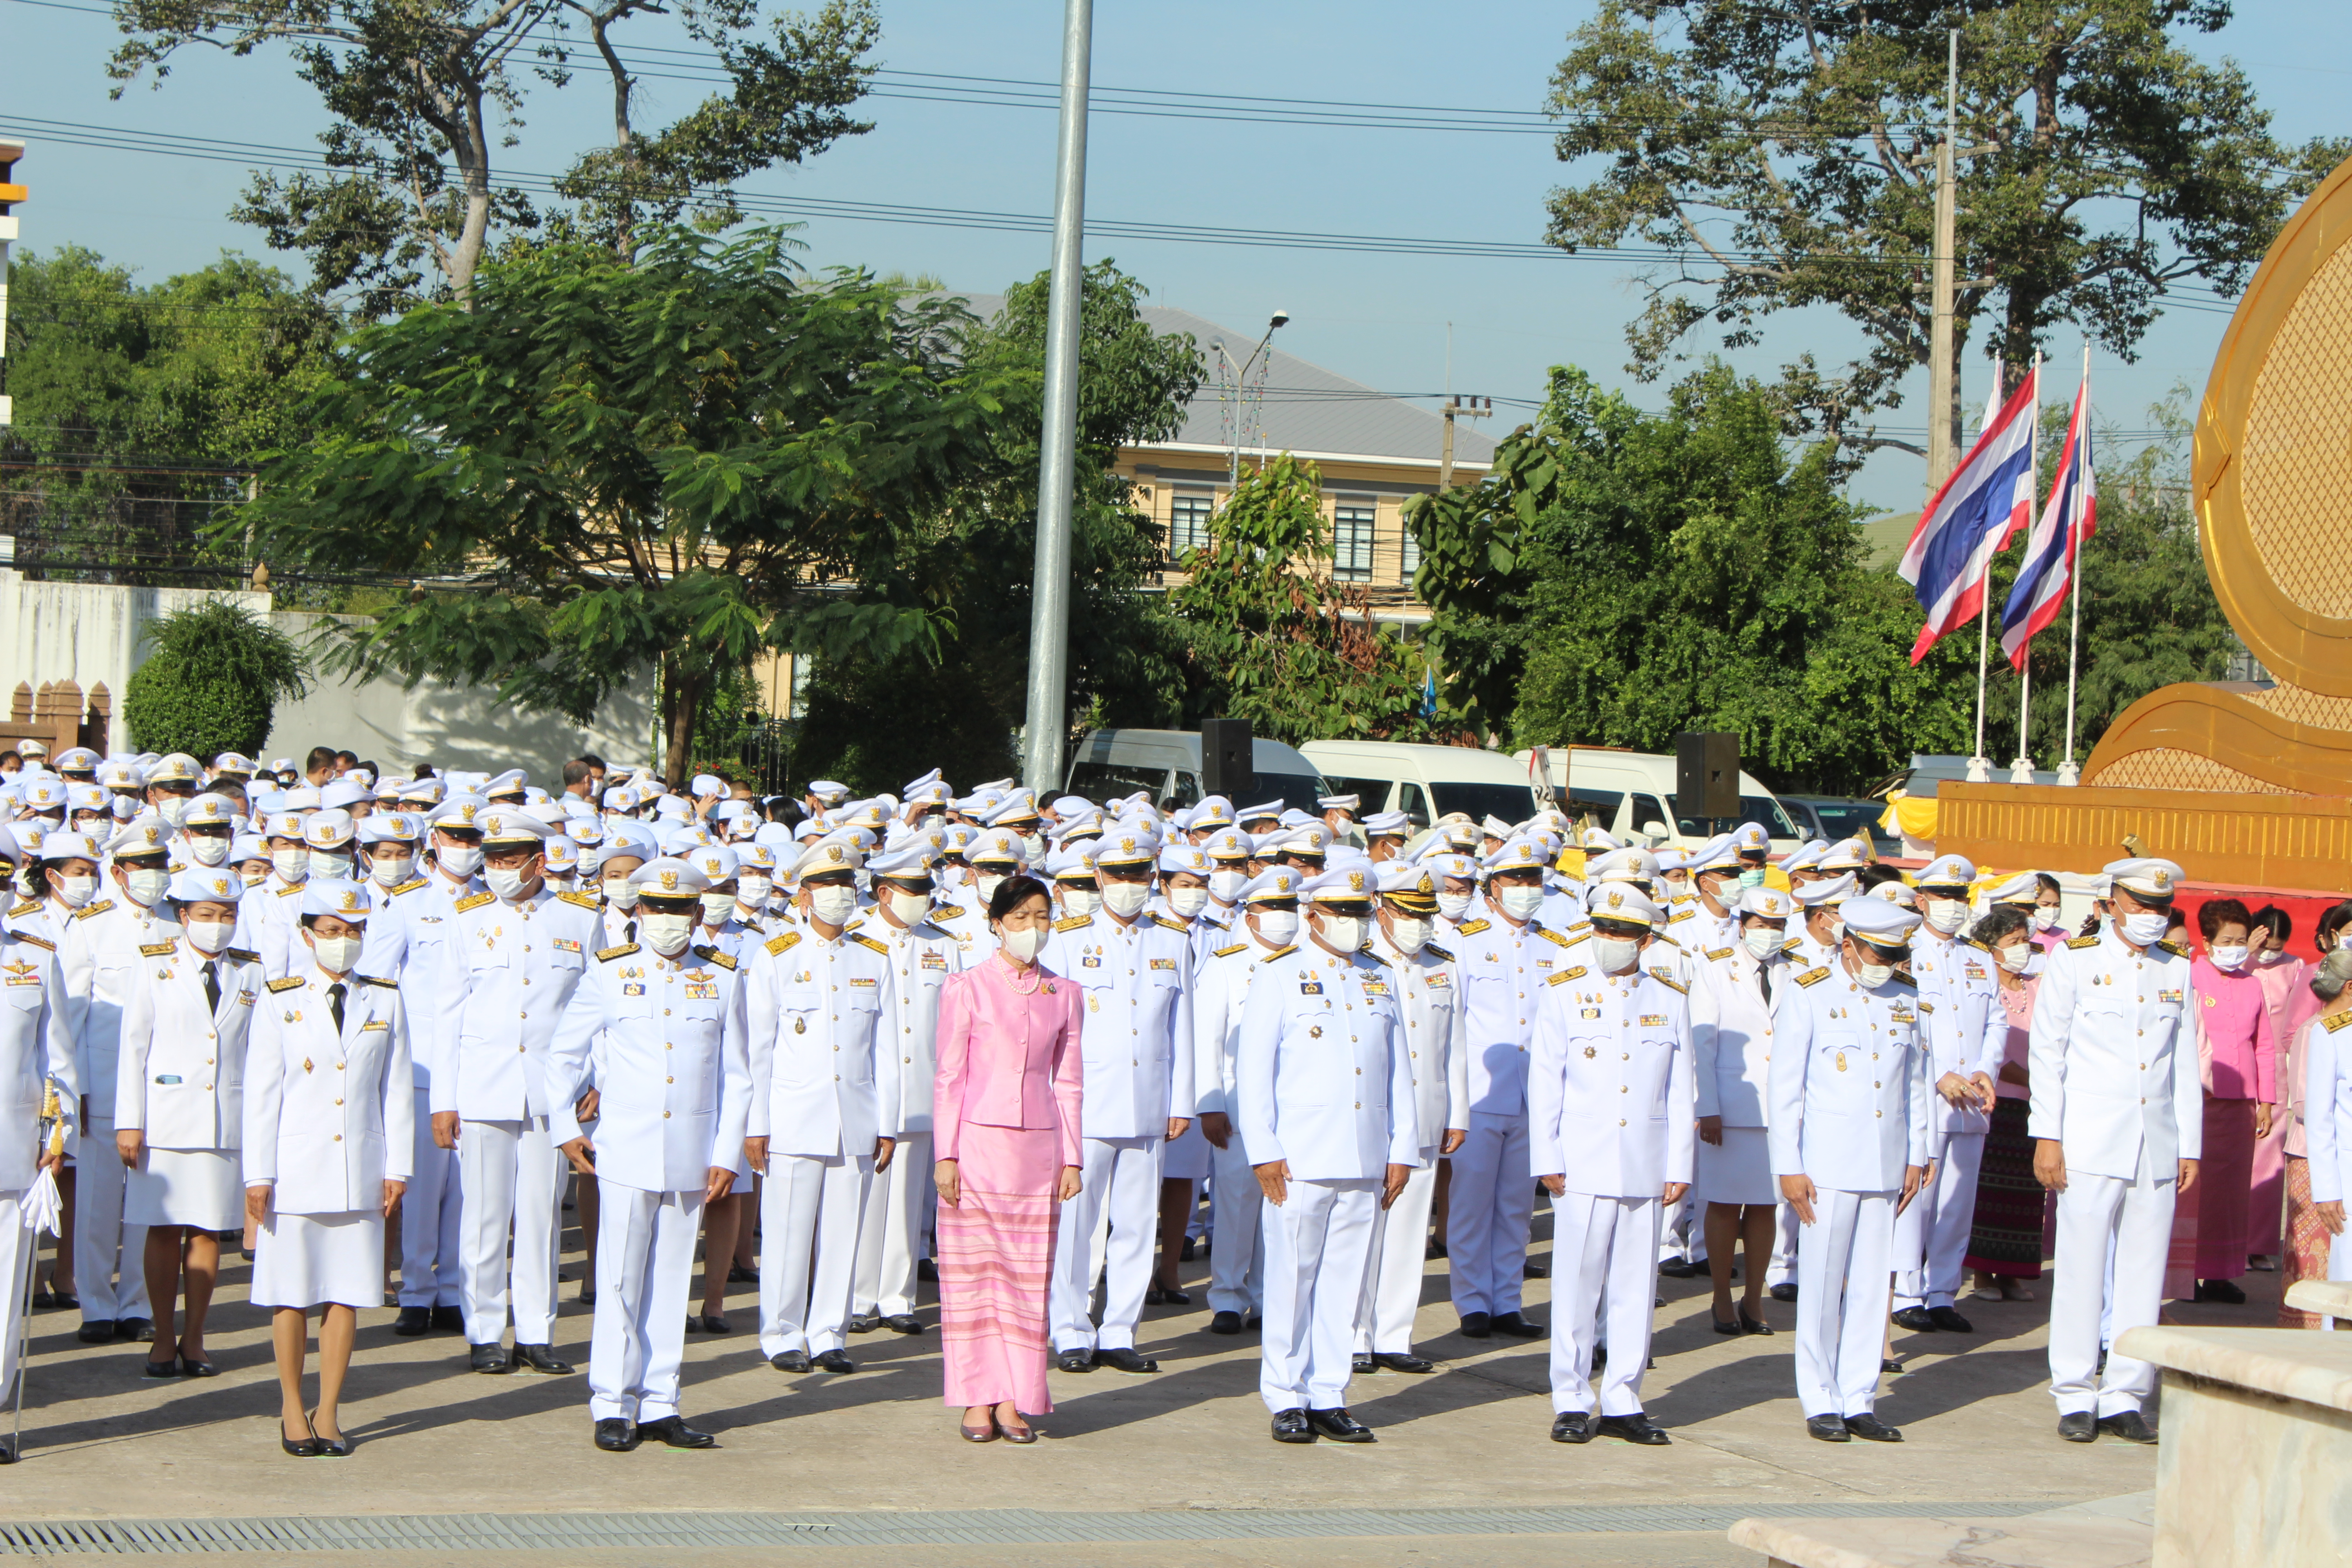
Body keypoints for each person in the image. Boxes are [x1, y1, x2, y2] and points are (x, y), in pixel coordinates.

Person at [545, 857, 750, 1452]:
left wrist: (726, 1151)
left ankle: (661, 1402)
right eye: (656, 908)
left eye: (680, 908)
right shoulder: (609, 974)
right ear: (637, 911)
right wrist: (564, 1129)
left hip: (692, 1152)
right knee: (619, 1279)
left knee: (669, 1282)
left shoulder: (723, 974)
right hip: (626, 1151)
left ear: (697, 912)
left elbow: (738, 1075)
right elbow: (562, 1056)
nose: (667, 919)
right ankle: (612, 1402)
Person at [1238, 867, 1416, 1444]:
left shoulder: (1379, 976)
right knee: (1293, 1277)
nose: (1355, 924)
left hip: (1366, 1154)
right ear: (1313, 914)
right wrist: (1264, 1149)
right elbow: (1254, 1072)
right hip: (1300, 1157)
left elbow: (1400, 1075)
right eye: (1343, 914)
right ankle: (1287, 1395)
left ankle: (1329, 1393)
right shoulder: (1280, 976)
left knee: (1345, 1282)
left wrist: (1402, 1149)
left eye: (1362, 913)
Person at [2032, 858, 2200, 1444]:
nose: (2151, 917)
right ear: (2112, 900)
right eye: (2141, 904)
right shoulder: (2074, 961)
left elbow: (2183, 1061)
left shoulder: (2176, 969)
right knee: (2080, 1269)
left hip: (2155, 1142)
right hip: (2087, 1139)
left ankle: (2126, 1393)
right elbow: (2047, 1053)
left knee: (2142, 1273)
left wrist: (2189, 1143)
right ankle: (2075, 1392)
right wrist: (2047, 1135)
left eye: (2161, 908)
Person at [429, 808, 603, 1376]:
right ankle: (483, 1331)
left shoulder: (580, 918)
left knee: (541, 1214)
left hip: (553, 1091)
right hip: (484, 1086)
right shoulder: (466, 916)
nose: (501, 870)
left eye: (511, 860)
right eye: (494, 861)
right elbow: (447, 1011)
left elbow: (596, 1010)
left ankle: (535, 1332)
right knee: (484, 1214)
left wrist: (595, 1077)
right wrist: (443, 1098)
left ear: (539, 861)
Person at [243, 878, 413, 1457]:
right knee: (291, 1295)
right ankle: (292, 1406)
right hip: (293, 1169)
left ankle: (330, 1409)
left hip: (359, 1166)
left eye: (353, 932)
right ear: (308, 934)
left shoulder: (385, 996)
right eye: (331, 932)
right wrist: (257, 1175)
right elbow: (261, 1094)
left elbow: (396, 1091)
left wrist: (399, 1168)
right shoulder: (280, 997)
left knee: (347, 1293)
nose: (342, 942)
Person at [1532, 882, 1691, 1446]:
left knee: (1634, 1289)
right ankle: (1571, 1398)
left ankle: (1624, 1398)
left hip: (1645, 1164)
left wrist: (1680, 1164)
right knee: (1578, 1287)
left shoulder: (1670, 997)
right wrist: (1545, 1154)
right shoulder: (1564, 992)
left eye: (1622, 933)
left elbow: (1679, 1091)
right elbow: (1546, 1081)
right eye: (1602, 929)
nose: (1609, 941)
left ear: (1645, 940)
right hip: (1581, 1163)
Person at [1769, 894, 1931, 1444]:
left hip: (1886, 1163)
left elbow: (1915, 1083)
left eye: (1895, 954)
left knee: (1869, 1285)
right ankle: (1819, 1398)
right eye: (1877, 952)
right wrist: (1788, 1165)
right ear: (1849, 945)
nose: (1886, 963)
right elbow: (1785, 1087)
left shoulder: (1906, 996)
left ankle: (1859, 1396)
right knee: (1820, 1283)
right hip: (1828, 1164)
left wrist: (1918, 1153)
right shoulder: (1810, 994)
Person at [932, 874, 1084, 1443]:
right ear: (995, 922)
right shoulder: (965, 986)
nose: (1030, 928)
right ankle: (977, 1397)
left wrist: (1073, 1157)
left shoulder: (1064, 993)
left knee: (1025, 1278)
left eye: (1041, 917)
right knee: (975, 1277)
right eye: (1019, 918)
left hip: (1037, 1151)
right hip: (976, 1147)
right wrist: (945, 1153)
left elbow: (1069, 1081)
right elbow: (949, 1075)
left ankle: (1014, 1397)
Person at [1039, 831, 1195, 1376]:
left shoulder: (1172, 939)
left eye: (1139, 875)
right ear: (1100, 878)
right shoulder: (1066, 938)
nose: (1129, 885)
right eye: (1119, 875)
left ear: (1152, 878)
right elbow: (1051, 1029)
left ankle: (1120, 1331)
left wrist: (1182, 1100)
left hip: (1150, 1104)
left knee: (1136, 1225)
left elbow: (1184, 1027)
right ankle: (1071, 1329)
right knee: (1078, 1222)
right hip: (1084, 1105)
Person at [745, 837, 897, 1375]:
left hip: (855, 1117)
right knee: (787, 1231)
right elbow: (757, 1050)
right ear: (804, 896)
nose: (838, 893)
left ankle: (829, 1332)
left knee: (842, 1233)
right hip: (793, 1118)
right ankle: (783, 1334)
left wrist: (889, 1122)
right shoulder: (778, 955)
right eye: (827, 884)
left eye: (845, 883)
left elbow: (887, 1048)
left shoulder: (873, 957)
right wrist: (757, 1123)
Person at [114, 868, 263, 1377]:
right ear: (184, 917)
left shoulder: (253, 973)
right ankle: (161, 1333)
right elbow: (133, 1046)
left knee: (206, 1230)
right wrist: (128, 1122)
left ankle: (195, 1335)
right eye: (206, 915)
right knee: (162, 1228)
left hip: (226, 1121)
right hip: (166, 1119)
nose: (217, 926)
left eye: (227, 916)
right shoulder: (154, 965)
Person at [355, 808, 475, 1337]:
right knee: (424, 1189)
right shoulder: (409, 903)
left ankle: (453, 1289)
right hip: (425, 1064)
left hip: (481, 1065)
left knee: (470, 1193)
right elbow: (378, 980)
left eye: (474, 838)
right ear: (437, 839)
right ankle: (417, 1290)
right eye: (457, 836)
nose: (465, 846)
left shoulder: (498, 907)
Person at [59, 816, 175, 1346]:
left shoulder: (179, 924)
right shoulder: (92, 925)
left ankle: (135, 1304)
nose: (153, 874)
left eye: (160, 864)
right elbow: (70, 1019)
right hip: (103, 1083)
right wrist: (75, 1090)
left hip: (161, 1086)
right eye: (142, 865)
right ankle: (96, 1304)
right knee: (99, 1202)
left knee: (146, 1204)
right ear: (119, 870)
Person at [1446, 836, 1566, 1341]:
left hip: (1533, 1096)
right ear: (1493, 886)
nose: (1526, 888)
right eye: (1516, 880)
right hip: (1481, 1092)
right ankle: (1473, 1301)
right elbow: (1453, 1025)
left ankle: (1507, 1301)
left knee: (1517, 1207)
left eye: (1534, 880)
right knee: (1473, 1203)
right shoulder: (1465, 940)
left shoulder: (1555, 945)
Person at [1351, 862, 1467, 1375]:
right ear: (1382, 909)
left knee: (1408, 1233)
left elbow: (1455, 1049)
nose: (1419, 925)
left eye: (1426, 915)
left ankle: (1395, 1336)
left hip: (1424, 1118)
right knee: (1362, 1232)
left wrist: (1457, 1113)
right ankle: (1355, 1335)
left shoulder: (1443, 965)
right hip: (1372, 1119)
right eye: (1407, 913)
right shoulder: (1362, 963)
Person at [848, 840, 967, 1336]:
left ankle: (897, 1297)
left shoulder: (943, 944)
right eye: (911, 889)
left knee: (905, 1202)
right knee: (862, 1200)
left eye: (926, 890)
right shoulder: (856, 937)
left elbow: (959, 1024)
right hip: (868, 1090)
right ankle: (855, 1296)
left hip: (922, 1090)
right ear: (883, 891)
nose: (921, 899)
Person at [1890, 855, 2004, 1335]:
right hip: (1928, 1098)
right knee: (1921, 1198)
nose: (1954, 906)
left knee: (1959, 1201)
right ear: (1922, 901)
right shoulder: (1904, 954)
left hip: (1972, 1103)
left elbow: (1997, 1020)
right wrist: (1939, 1076)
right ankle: (1905, 1292)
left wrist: (1984, 1069)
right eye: (1944, 897)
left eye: (1961, 897)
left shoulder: (1979, 959)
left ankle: (1942, 1293)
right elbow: (1904, 1024)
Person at [1693, 885, 1795, 1336]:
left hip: (1782, 1110)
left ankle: (1754, 1299)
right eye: (1761, 924)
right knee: (1723, 1204)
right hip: (1732, 1108)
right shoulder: (1714, 968)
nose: (1768, 933)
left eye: (1777, 926)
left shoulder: (1799, 972)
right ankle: (1720, 1295)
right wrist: (1707, 1106)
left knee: (1764, 1207)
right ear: (1742, 925)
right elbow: (1702, 1043)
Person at [0, 878, 78, 1460]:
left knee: (3, 1293)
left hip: (12, 1148)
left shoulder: (34, 955)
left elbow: (58, 1058)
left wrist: (57, 1130)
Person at [2186, 898, 2277, 1304]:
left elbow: (2265, 1046)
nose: (2236, 947)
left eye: (2242, 940)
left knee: (2231, 1194)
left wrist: (2267, 1100)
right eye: (2227, 940)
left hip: (2240, 1104)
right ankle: (2185, 1272)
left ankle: (2221, 1274)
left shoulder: (2253, 984)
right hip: (2198, 1101)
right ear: (2207, 942)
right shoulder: (2189, 977)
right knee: (2193, 1190)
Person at [1963, 905, 2047, 1302]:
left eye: (2024, 941)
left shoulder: (2038, 986)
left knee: (2027, 1193)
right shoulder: (1982, 986)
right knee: (1991, 1190)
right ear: (1991, 947)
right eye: (2013, 943)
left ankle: (2012, 1273)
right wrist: (2021, 1077)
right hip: (1997, 1101)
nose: (2022, 949)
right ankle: (1983, 1273)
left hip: (2036, 1103)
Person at [2293, 948, 2352, 1300]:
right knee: (2348, 1280)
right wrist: (2328, 1191)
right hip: (2349, 1181)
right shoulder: (2332, 1034)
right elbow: (2319, 1120)